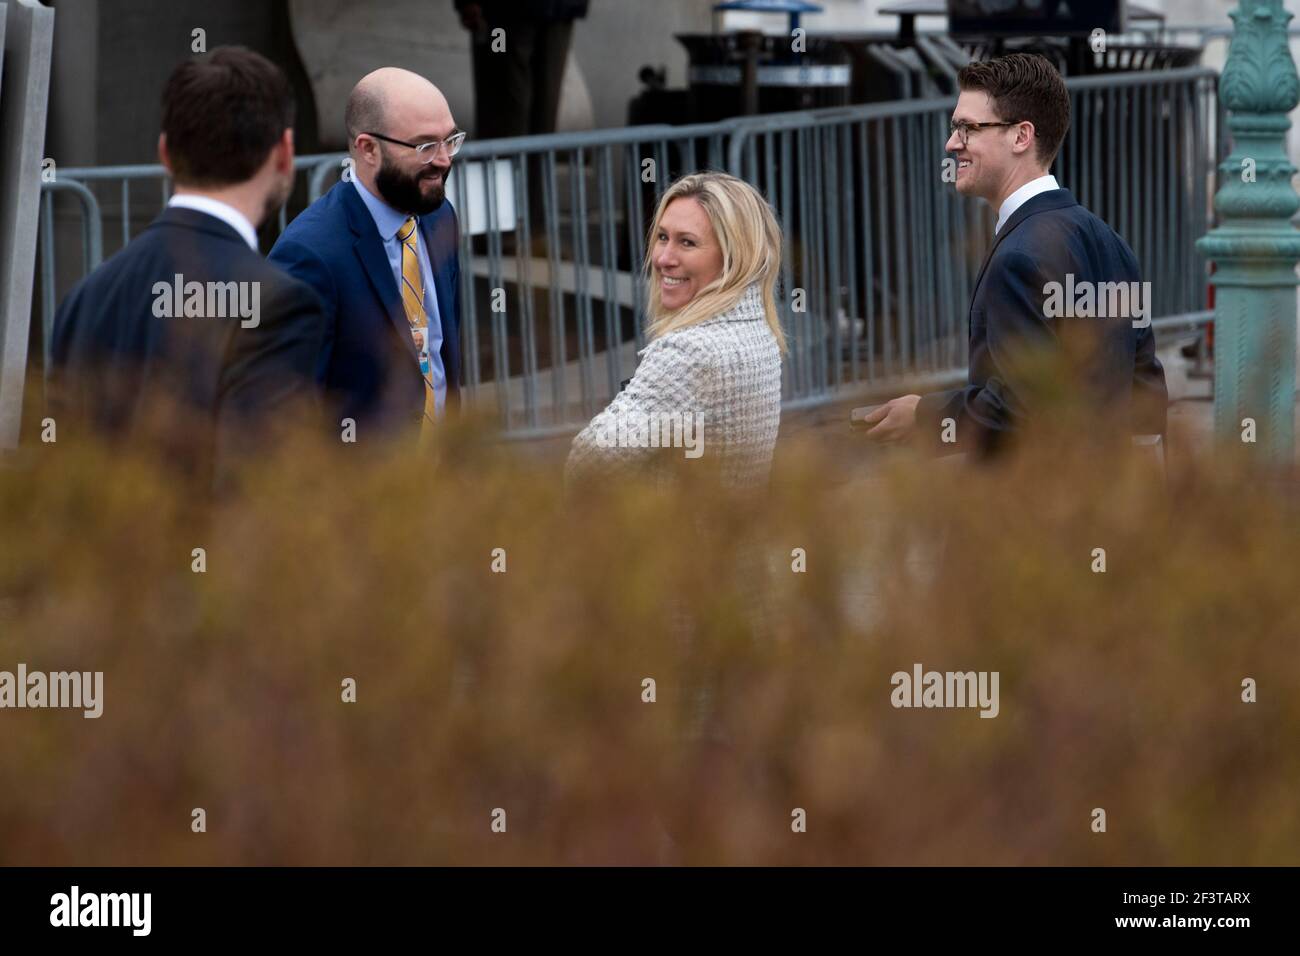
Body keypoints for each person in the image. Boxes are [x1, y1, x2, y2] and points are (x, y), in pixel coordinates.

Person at [861, 53, 1167, 457]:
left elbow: (1017, 410)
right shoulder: (1113, 243)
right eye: (955, 128)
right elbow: (1146, 393)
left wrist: (925, 416)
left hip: (1036, 504)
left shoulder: (1018, 257)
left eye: (968, 128)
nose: (952, 143)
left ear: (1021, 137)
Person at [49, 46, 325, 490]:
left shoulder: (86, 294)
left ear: (165, 152)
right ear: (285, 153)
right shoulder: (280, 305)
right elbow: (258, 495)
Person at [269, 68, 463, 441]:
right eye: (424, 146)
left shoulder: (440, 217)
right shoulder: (309, 254)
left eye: (450, 140)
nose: (443, 160)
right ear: (368, 149)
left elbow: (443, 359)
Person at [565, 172, 785, 489]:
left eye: (687, 242)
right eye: (663, 237)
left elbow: (588, 463)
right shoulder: (759, 331)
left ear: (734, 257)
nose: (663, 258)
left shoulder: (687, 355)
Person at [455, 0, 589, 141]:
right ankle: (527, 158)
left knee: (507, 102)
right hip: (513, 14)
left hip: (506, 13)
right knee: (532, 102)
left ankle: (514, 158)